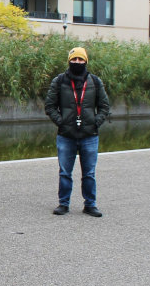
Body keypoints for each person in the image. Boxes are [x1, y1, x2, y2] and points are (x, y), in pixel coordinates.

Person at [44, 47, 110, 217]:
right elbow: (49, 106)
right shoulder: (59, 81)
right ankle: (63, 204)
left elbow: (104, 106)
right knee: (65, 173)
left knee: (89, 174)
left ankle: (90, 204)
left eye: (81, 60)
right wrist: (62, 122)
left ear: (86, 61)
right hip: (66, 136)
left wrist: (96, 123)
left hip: (90, 136)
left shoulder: (95, 81)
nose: (77, 63)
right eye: (74, 59)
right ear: (69, 61)